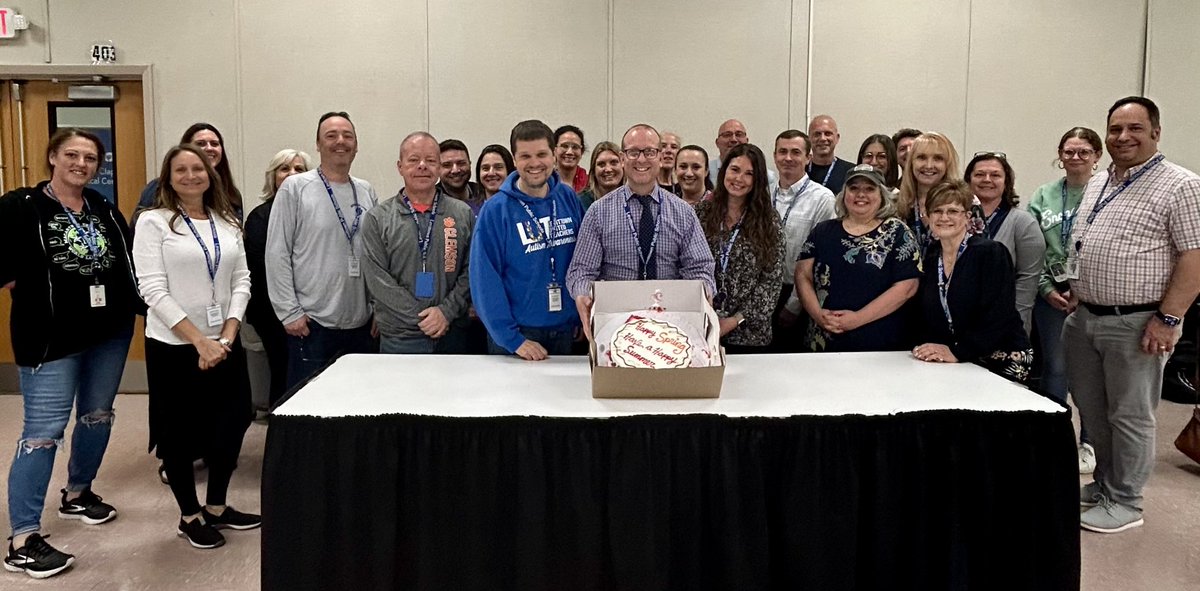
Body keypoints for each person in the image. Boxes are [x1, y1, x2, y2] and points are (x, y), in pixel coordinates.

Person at [1, 129, 139, 579]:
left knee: (98, 415)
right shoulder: (22, 206)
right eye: (72, 155)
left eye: (91, 157)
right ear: (52, 158)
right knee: (42, 432)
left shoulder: (102, 207)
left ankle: (79, 492)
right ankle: (23, 538)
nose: (81, 163)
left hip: (108, 334)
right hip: (50, 339)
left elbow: (127, 261)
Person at [1067, 96, 1200, 534]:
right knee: (1093, 410)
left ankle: (1126, 500)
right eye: (1116, 129)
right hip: (1086, 317)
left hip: (1137, 322)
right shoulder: (1101, 181)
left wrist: (1170, 318)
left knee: (1130, 414)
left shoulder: (1180, 185)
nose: (1123, 137)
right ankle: (1105, 484)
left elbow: (1194, 258)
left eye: (1135, 129)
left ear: (1155, 133)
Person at [134, 144, 258, 550]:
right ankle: (189, 514)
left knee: (234, 419)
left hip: (224, 341)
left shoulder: (226, 220)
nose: (190, 176)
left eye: (198, 168)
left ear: (211, 173)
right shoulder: (155, 222)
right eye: (180, 170)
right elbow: (151, 288)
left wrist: (227, 334)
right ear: (167, 178)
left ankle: (218, 505)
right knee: (179, 432)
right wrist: (199, 340)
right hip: (175, 344)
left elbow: (242, 280)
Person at [567, 123, 716, 335]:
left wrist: (704, 291)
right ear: (622, 158)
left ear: (660, 156)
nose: (642, 159)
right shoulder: (598, 212)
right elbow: (582, 271)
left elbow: (700, 268)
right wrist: (582, 294)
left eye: (649, 152)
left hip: (671, 326)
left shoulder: (683, 213)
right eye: (633, 152)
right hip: (615, 325)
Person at [266, 111, 378, 389]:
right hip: (312, 324)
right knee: (311, 413)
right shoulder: (296, 188)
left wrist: (377, 308)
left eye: (347, 135)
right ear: (317, 144)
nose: (340, 141)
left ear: (356, 144)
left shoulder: (365, 191)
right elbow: (277, 252)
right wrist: (289, 312)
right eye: (331, 135)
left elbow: (375, 256)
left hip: (360, 324)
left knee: (357, 404)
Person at [470, 120, 583, 360]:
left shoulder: (567, 198)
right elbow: (484, 279)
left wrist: (580, 316)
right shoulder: (495, 210)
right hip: (517, 337)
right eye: (525, 156)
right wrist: (513, 339)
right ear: (514, 159)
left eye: (542, 154)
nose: (534, 163)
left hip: (565, 330)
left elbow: (582, 261)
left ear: (554, 155)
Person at [1027, 127, 1102, 473]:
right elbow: (1033, 246)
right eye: (1069, 152)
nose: (1075, 158)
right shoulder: (1044, 195)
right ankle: (1055, 436)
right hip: (1051, 294)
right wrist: (1046, 289)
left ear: (1096, 156)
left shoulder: (1104, 192)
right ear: (1060, 156)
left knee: (1087, 374)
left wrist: (1081, 290)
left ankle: (1089, 441)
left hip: (1090, 295)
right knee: (1054, 370)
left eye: (1083, 152)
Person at [363, 132, 474, 354]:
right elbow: (377, 279)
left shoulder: (462, 214)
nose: (422, 166)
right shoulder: (378, 218)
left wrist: (445, 312)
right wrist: (422, 317)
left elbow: (471, 270)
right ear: (400, 166)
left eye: (431, 160)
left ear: (439, 167)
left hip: (452, 333)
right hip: (400, 338)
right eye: (414, 160)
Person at [912, 180, 1032, 382]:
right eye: (937, 211)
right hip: (956, 357)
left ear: (967, 217)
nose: (944, 217)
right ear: (928, 216)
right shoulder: (932, 257)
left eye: (953, 211)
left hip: (1001, 355)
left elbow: (999, 316)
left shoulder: (991, 253)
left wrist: (958, 352)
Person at [797, 164, 921, 352]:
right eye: (853, 188)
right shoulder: (823, 230)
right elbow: (802, 275)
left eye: (869, 189)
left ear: (882, 196)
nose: (860, 194)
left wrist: (857, 319)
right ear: (844, 194)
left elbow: (907, 287)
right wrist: (818, 314)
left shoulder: (897, 232)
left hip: (879, 346)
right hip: (823, 342)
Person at [695, 144, 785, 352]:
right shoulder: (702, 213)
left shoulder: (769, 221)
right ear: (724, 170)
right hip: (703, 326)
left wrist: (734, 320)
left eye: (749, 174)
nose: (739, 179)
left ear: (758, 180)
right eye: (734, 170)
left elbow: (771, 281)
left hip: (749, 334)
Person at [244, 148, 311, 409]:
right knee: (284, 375)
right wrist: (288, 312)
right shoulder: (260, 217)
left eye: (299, 169)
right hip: (273, 314)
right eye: (284, 169)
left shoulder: (317, 211)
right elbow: (261, 271)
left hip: (314, 309)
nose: (292, 175)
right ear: (273, 177)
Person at [965, 152, 1046, 334]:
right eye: (979, 174)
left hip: (1005, 323)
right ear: (968, 180)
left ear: (1006, 182)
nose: (987, 180)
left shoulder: (1023, 223)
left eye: (995, 175)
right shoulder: (955, 219)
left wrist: (1014, 324)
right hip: (962, 321)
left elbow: (1027, 281)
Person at [770, 130, 836, 352]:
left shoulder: (823, 198)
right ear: (775, 156)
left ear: (808, 158)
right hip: (761, 292)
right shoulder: (763, 192)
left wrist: (795, 305)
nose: (788, 158)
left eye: (796, 152)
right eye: (783, 152)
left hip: (797, 293)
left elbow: (819, 256)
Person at [137, 123, 243, 216]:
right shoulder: (157, 188)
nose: (209, 148)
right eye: (200, 144)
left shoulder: (231, 193)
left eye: (215, 144)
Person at [897, 132, 962, 250]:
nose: (929, 165)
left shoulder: (966, 202)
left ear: (948, 164)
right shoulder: (897, 203)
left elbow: (980, 254)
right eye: (921, 157)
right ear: (911, 163)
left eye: (938, 158)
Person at [806, 115, 855, 194]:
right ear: (809, 139)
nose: (822, 138)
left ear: (837, 138)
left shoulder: (851, 172)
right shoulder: (799, 170)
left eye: (828, 133)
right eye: (817, 134)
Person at [438, 139, 486, 215]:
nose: (455, 170)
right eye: (447, 165)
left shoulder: (484, 193)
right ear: (437, 169)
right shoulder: (431, 200)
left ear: (470, 164)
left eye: (461, 163)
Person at [578, 141, 624, 212]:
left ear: (623, 165)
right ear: (593, 171)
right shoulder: (581, 203)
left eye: (613, 162)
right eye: (601, 164)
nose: (608, 169)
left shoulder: (634, 199)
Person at [553, 125, 588, 192]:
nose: (570, 152)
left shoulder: (590, 184)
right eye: (565, 146)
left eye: (575, 147)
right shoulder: (544, 183)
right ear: (554, 149)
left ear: (582, 152)